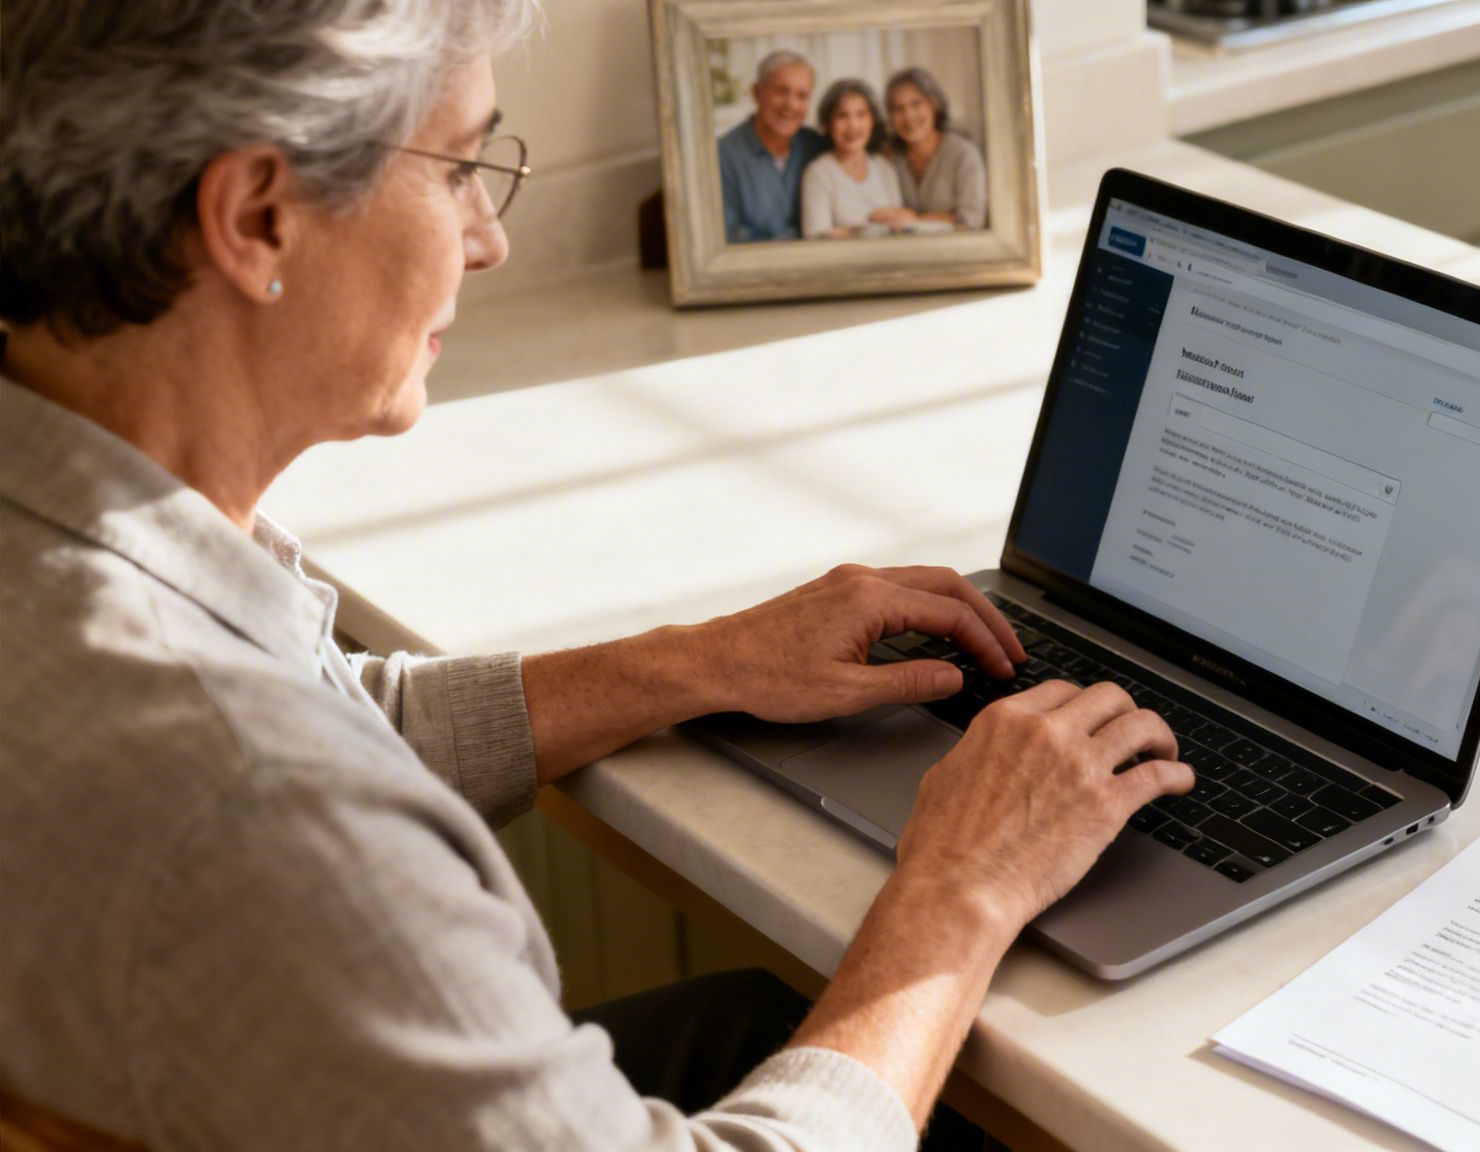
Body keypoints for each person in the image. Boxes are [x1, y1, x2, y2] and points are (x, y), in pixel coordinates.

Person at [0, 2, 1192, 1150]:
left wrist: (693, 662)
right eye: (460, 167)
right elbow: (296, 781)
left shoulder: (72, 536)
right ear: (258, 218)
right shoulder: (265, 810)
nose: (488, 237)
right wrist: (964, 891)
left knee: (753, 1022)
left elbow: (323, 716)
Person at [716, 51, 828, 243]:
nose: (791, 105)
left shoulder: (816, 146)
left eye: (802, 96)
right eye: (781, 92)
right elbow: (727, 236)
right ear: (757, 93)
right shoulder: (722, 155)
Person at [880, 67, 989, 232]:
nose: (908, 116)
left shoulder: (963, 154)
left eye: (916, 104)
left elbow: (972, 219)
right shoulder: (889, 159)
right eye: (898, 109)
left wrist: (915, 220)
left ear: (934, 105)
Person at [801, 79, 905, 239]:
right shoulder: (818, 173)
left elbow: (899, 229)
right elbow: (816, 236)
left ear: (872, 121)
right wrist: (871, 229)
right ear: (828, 124)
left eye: (861, 114)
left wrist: (845, 231)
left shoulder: (885, 168)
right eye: (842, 116)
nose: (853, 125)